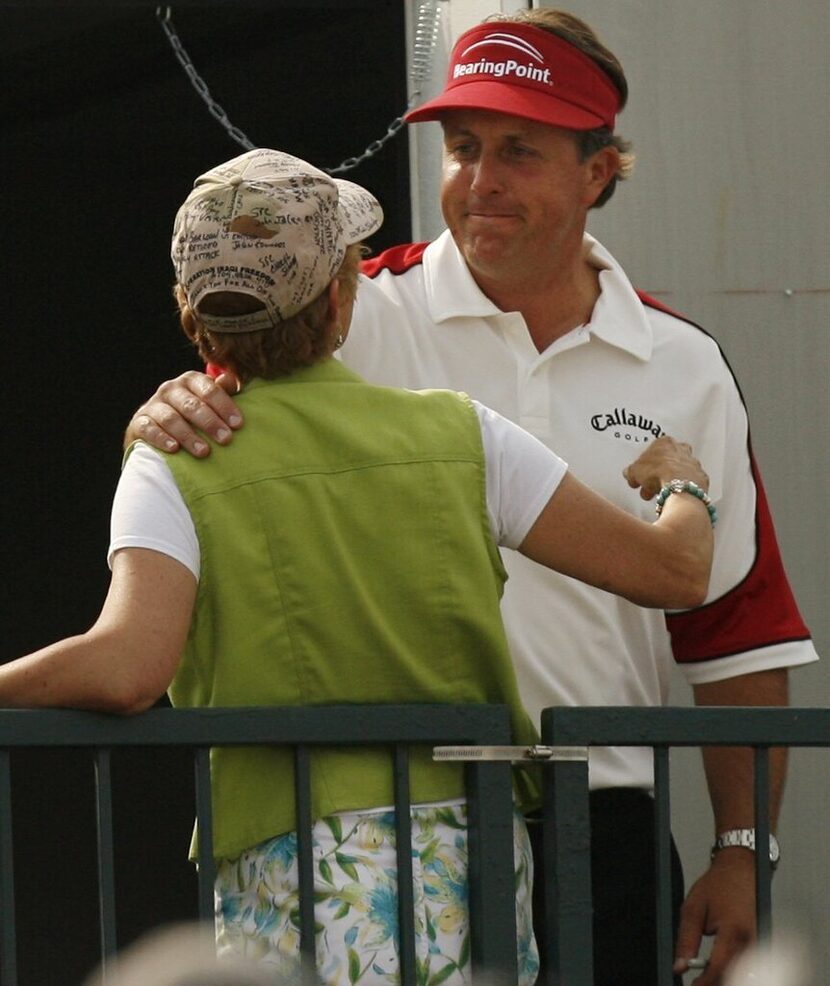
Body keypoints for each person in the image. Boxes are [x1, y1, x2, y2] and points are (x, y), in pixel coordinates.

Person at [122, 11, 818, 986]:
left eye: (518, 151)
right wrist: (177, 397)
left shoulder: (685, 363)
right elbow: (210, 432)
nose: (478, 181)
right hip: (402, 814)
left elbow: (735, 634)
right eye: (460, 148)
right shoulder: (345, 307)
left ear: (599, 171)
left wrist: (741, 849)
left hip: (604, 814)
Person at [1, 147, 717, 984]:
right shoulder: (462, 434)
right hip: (471, 854)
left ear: (190, 315)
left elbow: (127, 666)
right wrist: (683, 483)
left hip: (294, 867)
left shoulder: (173, 459)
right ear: (340, 300)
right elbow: (676, 573)